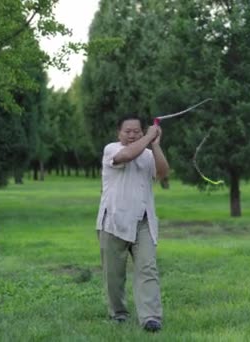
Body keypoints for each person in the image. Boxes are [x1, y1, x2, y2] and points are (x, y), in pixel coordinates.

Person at [95, 115, 170, 333]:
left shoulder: (148, 153)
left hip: (143, 220)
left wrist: (155, 146)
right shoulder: (112, 149)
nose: (132, 134)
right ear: (119, 133)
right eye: (127, 131)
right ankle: (118, 314)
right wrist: (148, 136)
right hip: (113, 221)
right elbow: (127, 155)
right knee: (113, 274)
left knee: (147, 268)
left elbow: (163, 173)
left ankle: (150, 317)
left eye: (136, 131)